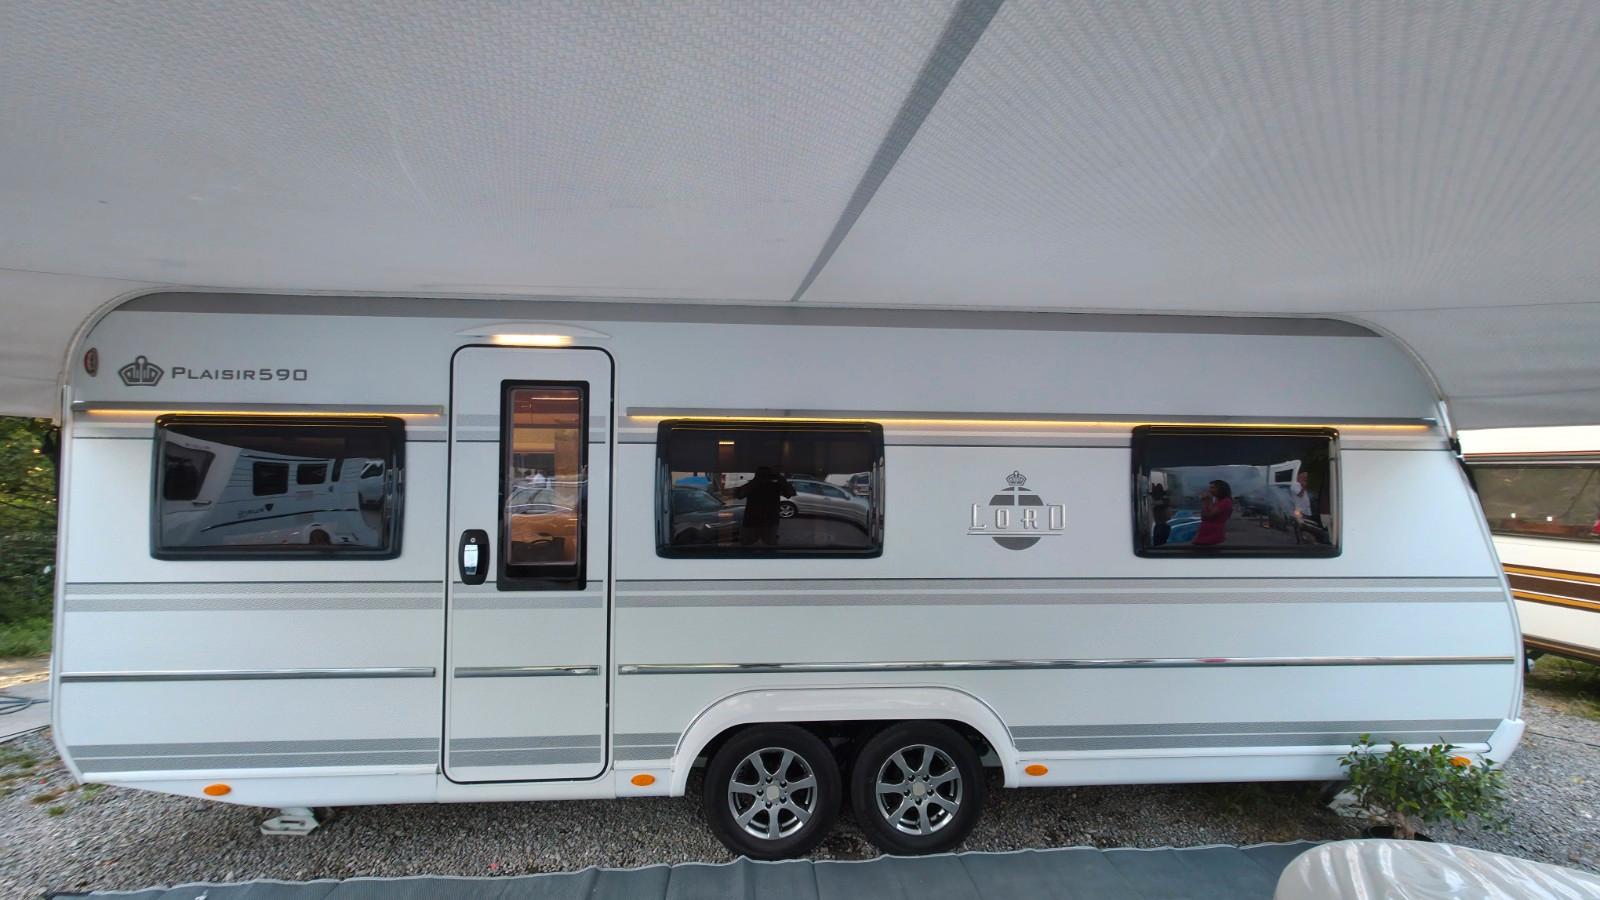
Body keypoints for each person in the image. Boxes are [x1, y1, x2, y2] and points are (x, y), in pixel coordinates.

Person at [734, 466, 795, 547]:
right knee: (766, 544)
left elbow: (739, 495)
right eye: (762, 475)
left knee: (749, 544)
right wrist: (781, 479)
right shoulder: (771, 486)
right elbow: (791, 493)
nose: (764, 477)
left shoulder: (771, 486)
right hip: (766, 520)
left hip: (755, 520)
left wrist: (781, 480)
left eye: (765, 475)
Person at [1193, 480, 1233, 546]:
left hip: (1212, 537)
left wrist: (1206, 501)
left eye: (1213, 488)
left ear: (1221, 489)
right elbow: (1203, 516)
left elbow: (1207, 516)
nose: (1210, 490)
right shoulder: (1218, 501)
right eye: (1210, 488)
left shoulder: (1225, 502)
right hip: (1206, 536)